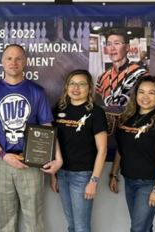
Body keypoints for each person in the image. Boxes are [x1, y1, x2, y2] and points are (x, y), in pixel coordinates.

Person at [0, 44, 63, 232]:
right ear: (2, 62)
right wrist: (2, 154)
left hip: (31, 161)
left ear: (25, 62)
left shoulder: (37, 91)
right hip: (3, 160)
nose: (13, 62)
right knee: (5, 219)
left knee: (34, 218)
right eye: (9, 58)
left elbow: (47, 127)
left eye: (18, 58)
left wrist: (58, 157)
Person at [108, 75, 155, 232]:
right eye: (141, 92)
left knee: (138, 229)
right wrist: (113, 174)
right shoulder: (127, 119)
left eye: (151, 93)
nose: (145, 97)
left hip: (150, 184)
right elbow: (121, 148)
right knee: (144, 227)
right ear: (135, 95)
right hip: (129, 180)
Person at [50, 69, 108, 232]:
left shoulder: (96, 112)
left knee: (81, 227)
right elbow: (53, 145)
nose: (76, 87)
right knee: (72, 225)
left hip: (82, 177)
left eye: (81, 84)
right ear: (66, 87)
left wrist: (93, 181)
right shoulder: (59, 109)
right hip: (62, 174)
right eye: (72, 83)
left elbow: (102, 150)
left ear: (89, 88)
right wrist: (53, 176)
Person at [95, 28, 148, 107]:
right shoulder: (102, 78)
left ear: (127, 47)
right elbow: (97, 106)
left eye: (117, 43)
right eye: (109, 44)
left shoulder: (141, 74)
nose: (112, 48)